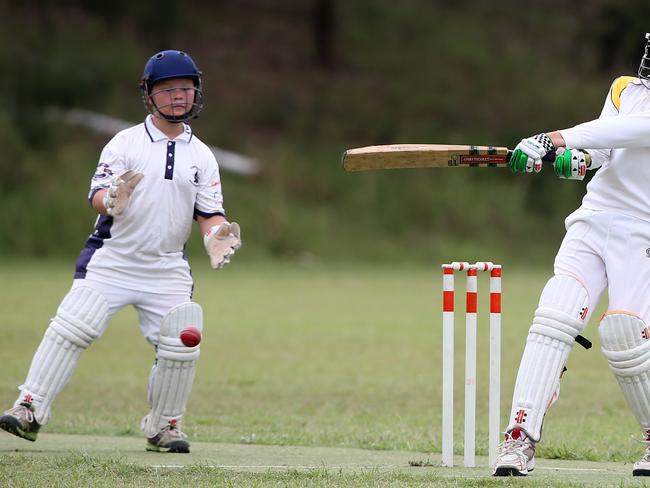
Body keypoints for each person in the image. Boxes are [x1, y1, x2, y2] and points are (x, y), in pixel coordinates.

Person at [0, 50, 241, 453]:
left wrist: (217, 236)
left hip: (166, 267)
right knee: (73, 326)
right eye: (168, 90)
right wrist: (111, 199)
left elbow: (209, 213)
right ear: (149, 95)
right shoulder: (124, 143)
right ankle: (29, 408)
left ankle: (164, 426)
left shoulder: (202, 156)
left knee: (183, 341)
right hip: (112, 258)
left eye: (186, 88)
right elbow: (97, 195)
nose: (179, 97)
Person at [492, 33, 650, 477]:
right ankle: (519, 438)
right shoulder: (625, 88)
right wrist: (578, 160)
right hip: (594, 218)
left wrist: (552, 139)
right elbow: (606, 146)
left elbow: (631, 131)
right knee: (554, 317)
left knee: (625, 335)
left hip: (642, 232)